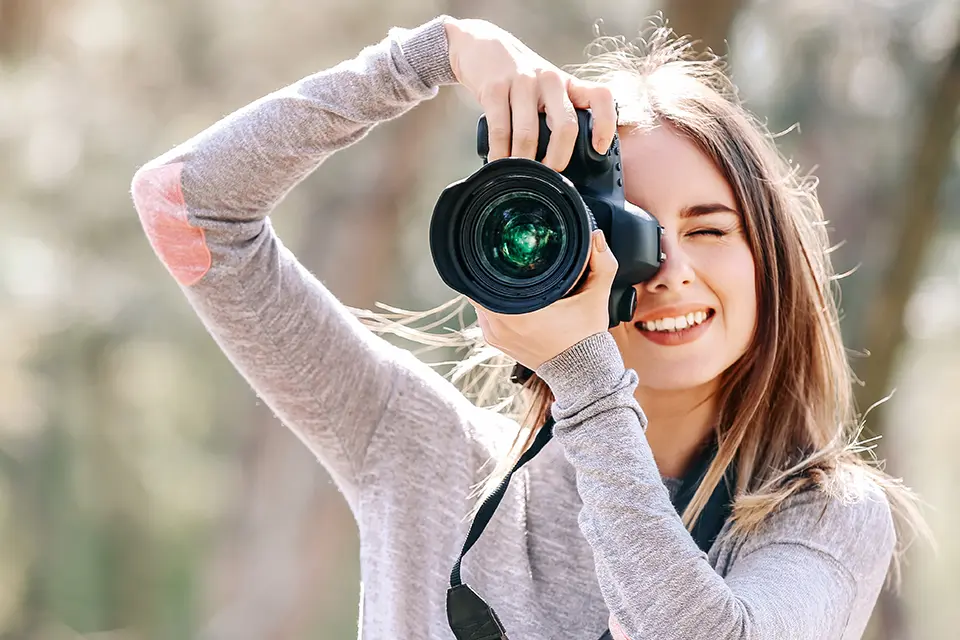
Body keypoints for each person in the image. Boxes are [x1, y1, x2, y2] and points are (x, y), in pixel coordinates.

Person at [130, 14, 925, 640]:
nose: (670, 267)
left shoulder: (824, 518)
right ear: (550, 254)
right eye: (625, 233)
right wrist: (430, 56)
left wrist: (583, 377)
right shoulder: (421, 452)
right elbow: (187, 204)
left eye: (711, 229)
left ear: (771, 262)